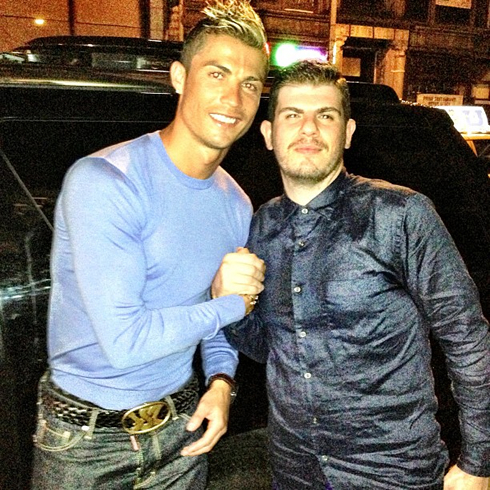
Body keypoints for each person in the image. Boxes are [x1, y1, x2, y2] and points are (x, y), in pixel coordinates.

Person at [31, 1, 268, 488]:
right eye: (217, 73)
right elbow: (126, 342)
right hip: (86, 445)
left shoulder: (236, 204)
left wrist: (222, 382)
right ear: (180, 77)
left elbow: (212, 312)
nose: (234, 98)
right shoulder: (105, 181)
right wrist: (233, 305)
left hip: (182, 433)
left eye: (250, 84)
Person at [225, 60, 490, 490]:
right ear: (269, 135)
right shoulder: (261, 227)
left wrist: (479, 461)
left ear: (346, 133)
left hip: (392, 471)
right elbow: (270, 349)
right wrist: (234, 306)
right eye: (292, 115)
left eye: (325, 115)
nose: (308, 129)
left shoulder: (400, 215)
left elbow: (468, 338)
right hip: (295, 470)